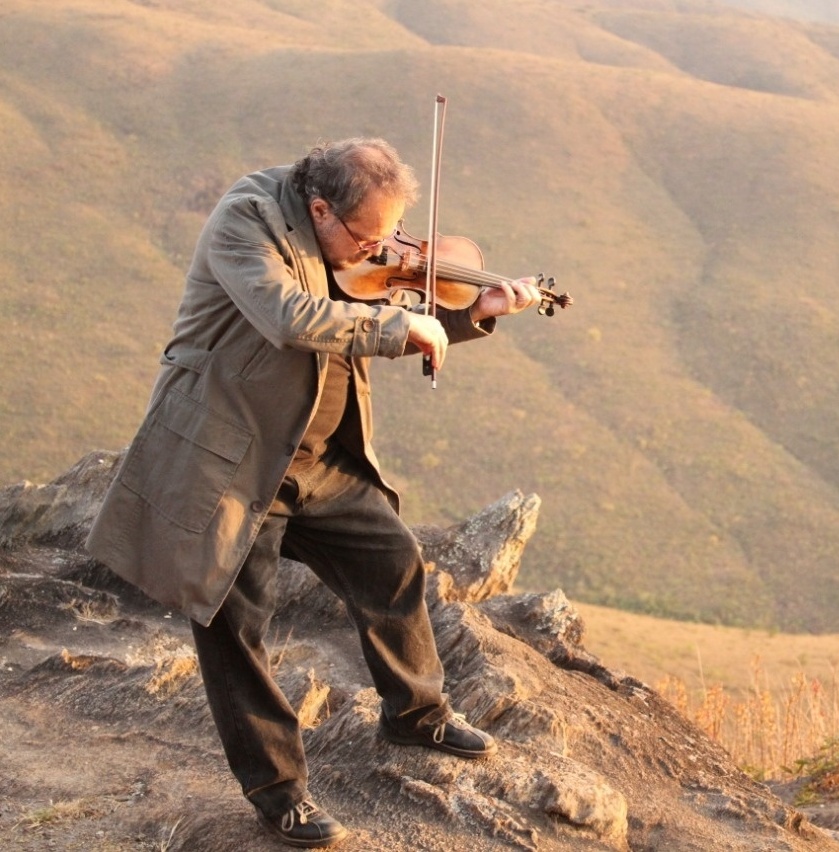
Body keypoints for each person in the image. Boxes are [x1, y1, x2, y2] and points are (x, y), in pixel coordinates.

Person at [86, 137, 545, 848]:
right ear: (320, 207)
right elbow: (290, 318)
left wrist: (472, 312)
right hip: (233, 461)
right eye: (366, 237)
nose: (382, 251)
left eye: (390, 235)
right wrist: (402, 325)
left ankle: (414, 714)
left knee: (392, 562)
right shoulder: (248, 220)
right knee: (234, 627)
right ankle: (279, 792)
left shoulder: (354, 244)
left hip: (321, 455)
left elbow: (395, 311)